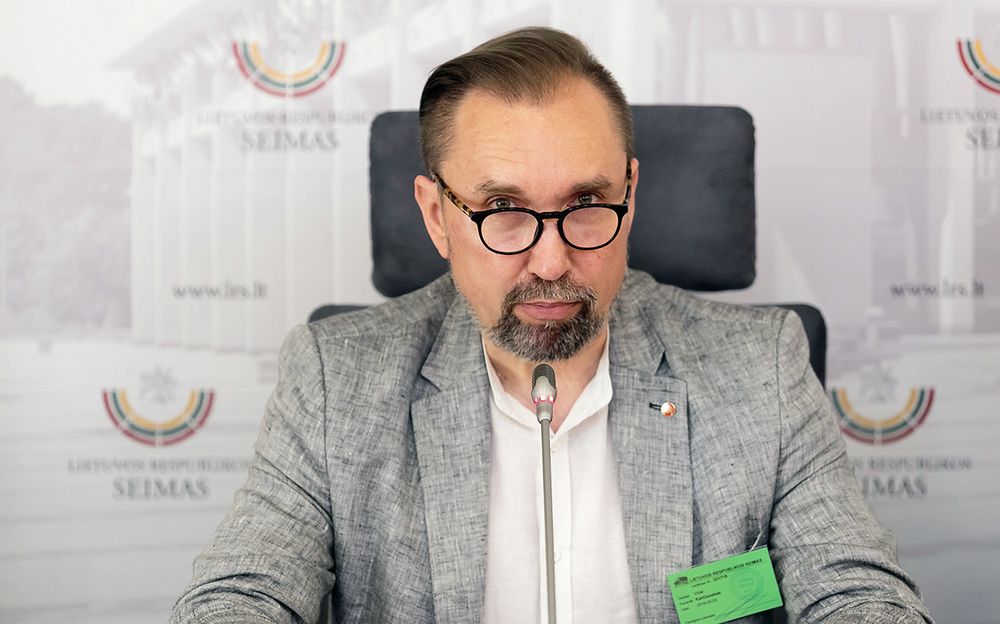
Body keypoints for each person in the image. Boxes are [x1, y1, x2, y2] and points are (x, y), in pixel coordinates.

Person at [171, 27, 933, 624]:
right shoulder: (335, 381)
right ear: (437, 216)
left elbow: (859, 595)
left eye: (586, 205)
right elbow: (240, 595)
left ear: (630, 194)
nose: (550, 260)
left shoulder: (761, 366)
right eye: (503, 211)